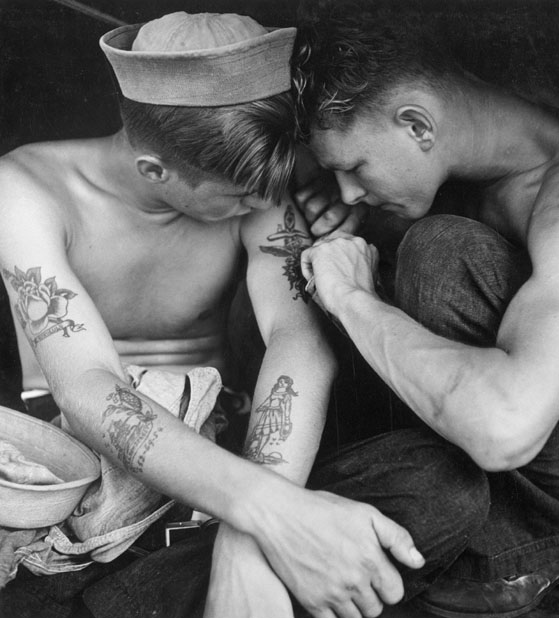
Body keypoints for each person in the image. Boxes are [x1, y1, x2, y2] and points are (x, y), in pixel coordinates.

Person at [0, 10, 491, 618]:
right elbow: (86, 388)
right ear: (156, 169)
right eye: (240, 194)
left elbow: (297, 338)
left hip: (229, 462)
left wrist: (246, 535)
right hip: (83, 481)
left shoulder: (256, 186)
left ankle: (199, 587)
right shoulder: (26, 188)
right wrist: (272, 513)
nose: (264, 205)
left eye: (273, 187)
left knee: (443, 483)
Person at [293, 2, 559, 617]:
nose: (345, 188)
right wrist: (365, 216)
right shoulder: (478, 142)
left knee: (438, 250)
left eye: (353, 167)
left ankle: (529, 548)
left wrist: (351, 297)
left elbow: (506, 427)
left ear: (417, 126)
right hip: (472, 452)